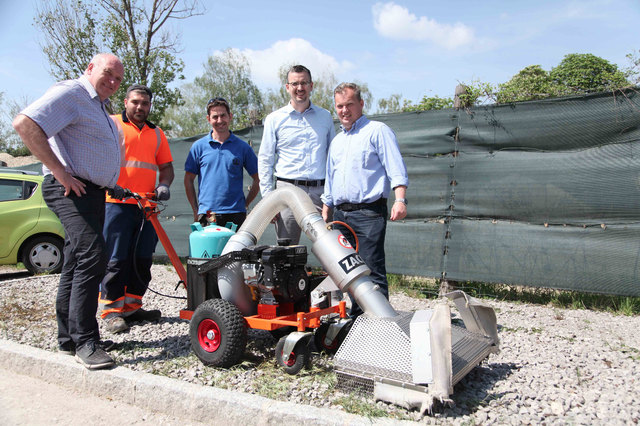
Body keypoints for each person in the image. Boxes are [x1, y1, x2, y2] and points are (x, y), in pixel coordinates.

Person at [12, 53, 125, 370]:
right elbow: (25, 124)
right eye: (108, 74)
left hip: (92, 192)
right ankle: (86, 341)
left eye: (118, 78)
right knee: (93, 254)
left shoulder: (99, 107)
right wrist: (60, 173)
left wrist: (110, 184)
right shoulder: (72, 93)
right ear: (90, 68)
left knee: (77, 258)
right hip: (68, 189)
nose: (113, 82)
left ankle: (68, 338)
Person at [321, 82, 409, 318]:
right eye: (340, 106)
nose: (344, 110)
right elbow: (331, 178)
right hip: (341, 216)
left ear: (361, 103)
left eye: (349, 104)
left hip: (369, 214)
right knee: (346, 273)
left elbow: (395, 168)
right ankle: (358, 321)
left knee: (371, 272)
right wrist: (326, 208)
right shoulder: (337, 141)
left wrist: (400, 200)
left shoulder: (377, 131)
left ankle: (380, 327)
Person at [99, 84, 175, 334]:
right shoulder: (112, 125)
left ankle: (132, 306)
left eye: (145, 103)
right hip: (117, 204)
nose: (140, 107)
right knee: (116, 258)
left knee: (142, 258)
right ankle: (111, 311)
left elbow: (166, 168)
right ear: (125, 102)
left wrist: (163, 185)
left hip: (147, 206)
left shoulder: (157, 133)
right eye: (135, 102)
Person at [258, 65, 335, 245]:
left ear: (311, 85)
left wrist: (329, 198)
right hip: (286, 192)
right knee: (286, 253)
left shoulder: (325, 117)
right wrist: (269, 200)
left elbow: (333, 159)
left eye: (304, 83)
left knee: (329, 248)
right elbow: (265, 160)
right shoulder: (274, 119)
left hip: (320, 192)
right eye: (295, 84)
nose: (300, 88)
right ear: (287, 87)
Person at [184, 97, 259, 228]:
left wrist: (245, 204)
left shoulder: (243, 147)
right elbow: (188, 180)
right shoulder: (198, 147)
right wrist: (196, 210)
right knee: (208, 250)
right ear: (208, 119)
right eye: (215, 117)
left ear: (230, 116)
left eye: (223, 115)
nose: (219, 121)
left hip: (236, 214)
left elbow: (258, 178)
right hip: (207, 214)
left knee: (235, 249)